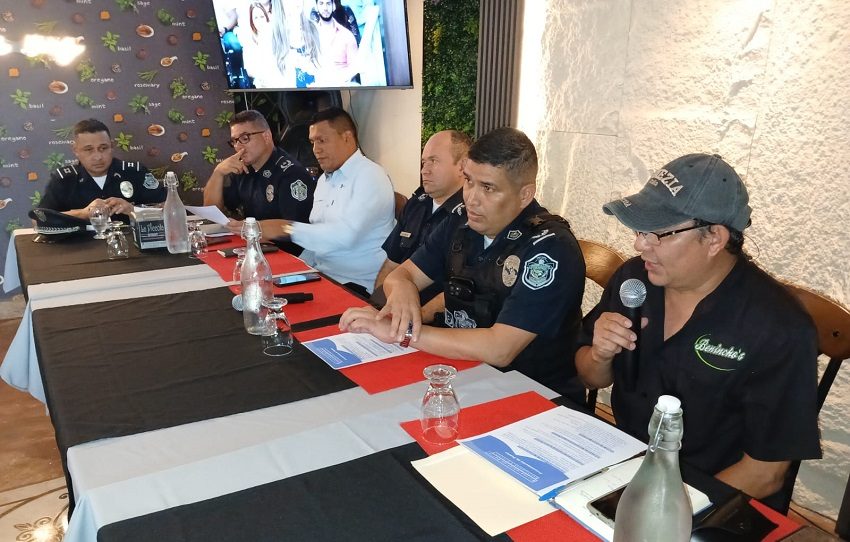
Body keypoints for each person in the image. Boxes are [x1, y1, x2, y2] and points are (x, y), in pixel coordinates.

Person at [575, 153, 821, 506]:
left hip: (715, 499)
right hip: (623, 470)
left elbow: (766, 474)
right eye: (640, 231)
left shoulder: (777, 327)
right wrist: (599, 354)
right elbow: (590, 378)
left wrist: (662, 509)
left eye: (658, 233)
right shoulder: (635, 279)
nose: (639, 244)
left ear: (714, 239)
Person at [340, 127, 587, 402]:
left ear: (525, 195)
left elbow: (499, 349)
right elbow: (401, 275)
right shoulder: (460, 221)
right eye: (469, 181)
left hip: (532, 395)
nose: (471, 197)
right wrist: (403, 293)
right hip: (464, 373)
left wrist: (404, 333)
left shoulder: (550, 249)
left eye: (488, 188)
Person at [274, 107, 394, 295]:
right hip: (323, 277)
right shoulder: (324, 180)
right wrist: (296, 269)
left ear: (347, 137)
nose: (315, 150)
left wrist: (286, 228)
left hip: (357, 287)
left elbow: (344, 236)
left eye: (322, 141)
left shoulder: (370, 176)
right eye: (313, 142)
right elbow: (317, 239)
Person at [374, 130, 471, 319]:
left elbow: (461, 290)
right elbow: (391, 264)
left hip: (433, 322)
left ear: (462, 166)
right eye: (423, 162)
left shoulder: (472, 216)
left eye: (433, 161)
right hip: (394, 313)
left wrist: (411, 320)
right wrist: (375, 305)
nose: (424, 170)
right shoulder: (418, 204)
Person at [203, 110, 315, 254]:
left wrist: (253, 227)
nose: (239, 146)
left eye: (245, 138)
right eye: (234, 141)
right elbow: (211, 212)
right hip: (256, 248)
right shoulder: (242, 169)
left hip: (289, 255)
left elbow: (296, 228)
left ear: (266, 136)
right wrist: (218, 173)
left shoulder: (291, 174)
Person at [41, 118, 165, 221]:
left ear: (112, 146)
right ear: (75, 150)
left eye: (103, 148)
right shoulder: (63, 179)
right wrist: (84, 213)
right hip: (81, 248)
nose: (97, 156)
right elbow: (39, 220)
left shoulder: (136, 172)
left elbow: (170, 209)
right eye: (88, 149)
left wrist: (132, 210)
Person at [314, 0, 359, 84]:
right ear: (316, 7)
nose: (325, 8)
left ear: (333, 5)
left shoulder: (347, 36)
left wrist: (338, 80)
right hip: (319, 87)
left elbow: (354, 68)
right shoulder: (312, 36)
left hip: (343, 85)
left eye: (328, 3)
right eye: (321, 3)